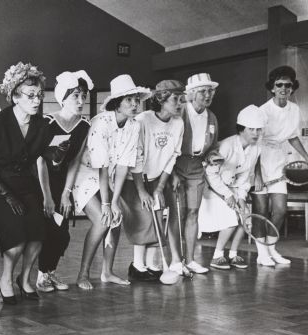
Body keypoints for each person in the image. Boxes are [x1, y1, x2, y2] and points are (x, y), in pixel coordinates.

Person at [0, 62, 51, 304]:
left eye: (39, 95)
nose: (37, 100)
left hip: (25, 184)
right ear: (15, 96)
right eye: (31, 95)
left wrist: (55, 154)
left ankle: (24, 278)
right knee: (17, 237)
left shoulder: (41, 125)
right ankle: (6, 278)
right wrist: (7, 196)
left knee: (38, 234)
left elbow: (41, 156)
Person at [71, 74, 150, 289]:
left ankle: (107, 272)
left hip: (111, 175)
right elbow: (101, 165)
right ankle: (83, 274)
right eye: (129, 100)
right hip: (87, 174)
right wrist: (107, 203)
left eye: (136, 100)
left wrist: (114, 202)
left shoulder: (134, 126)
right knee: (102, 219)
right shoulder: (101, 122)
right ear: (117, 103)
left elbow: (125, 164)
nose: (134, 104)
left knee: (115, 218)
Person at [35, 70, 93, 292]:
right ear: (63, 97)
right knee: (46, 231)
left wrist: (65, 193)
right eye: (75, 96)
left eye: (83, 96)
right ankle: (40, 275)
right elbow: (40, 161)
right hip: (40, 182)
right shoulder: (47, 123)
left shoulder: (84, 126)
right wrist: (47, 196)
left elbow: (75, 161)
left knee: (62, 234)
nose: (80, 101)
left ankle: (49, 272)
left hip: (62, 184)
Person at [124, 80, 185, 281]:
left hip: (157, 177)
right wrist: (142, 191)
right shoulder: (143, 120)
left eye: (181, 99)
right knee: (144, 219)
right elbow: (136, 157)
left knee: (157, 221)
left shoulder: (179, 123)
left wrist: (159, 187)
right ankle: (137, 266)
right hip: (135, 179)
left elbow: (173, 156)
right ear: (161, 99)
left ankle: (150, 265)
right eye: (176, 99)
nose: (180, 103)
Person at [252, 66, 308, 266]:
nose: (284, 88)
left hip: (278, 162)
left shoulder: (295, 109)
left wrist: (306, 156)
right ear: (272, 88)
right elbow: (254, 144)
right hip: (259, 160)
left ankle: (271, 249)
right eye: (279, 85)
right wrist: (257, 175)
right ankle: (261, 253)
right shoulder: (263, 111)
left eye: (288, 85)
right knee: (260, 210)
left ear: (292, 88)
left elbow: (292, 136)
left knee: (280, 210)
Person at [199, 105, 265, 270]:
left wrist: (241, 197)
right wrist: (228, 195)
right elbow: (210, 174)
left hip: (234, 190)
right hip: (212, 189)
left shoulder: (256, 148)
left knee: (245, 217)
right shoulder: (227, 145)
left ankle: (233, 254)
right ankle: (217, 255)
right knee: (230, 218)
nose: (256, 134)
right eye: (251, 129)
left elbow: (247, 176)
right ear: (242, 130)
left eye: (259, 130)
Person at [166, 73, 219, 275]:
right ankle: (175, 260)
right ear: (192, 94)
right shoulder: (180, 113)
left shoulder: (211, 117)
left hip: (197, 167)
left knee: (193, 213)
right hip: (177, 166)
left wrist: (213, 156)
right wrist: (171, 173)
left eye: (210, 91)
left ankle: (190, 260)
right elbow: (169, 147)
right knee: (177, 214)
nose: (208, 95)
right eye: (203, 91)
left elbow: (212, 146)